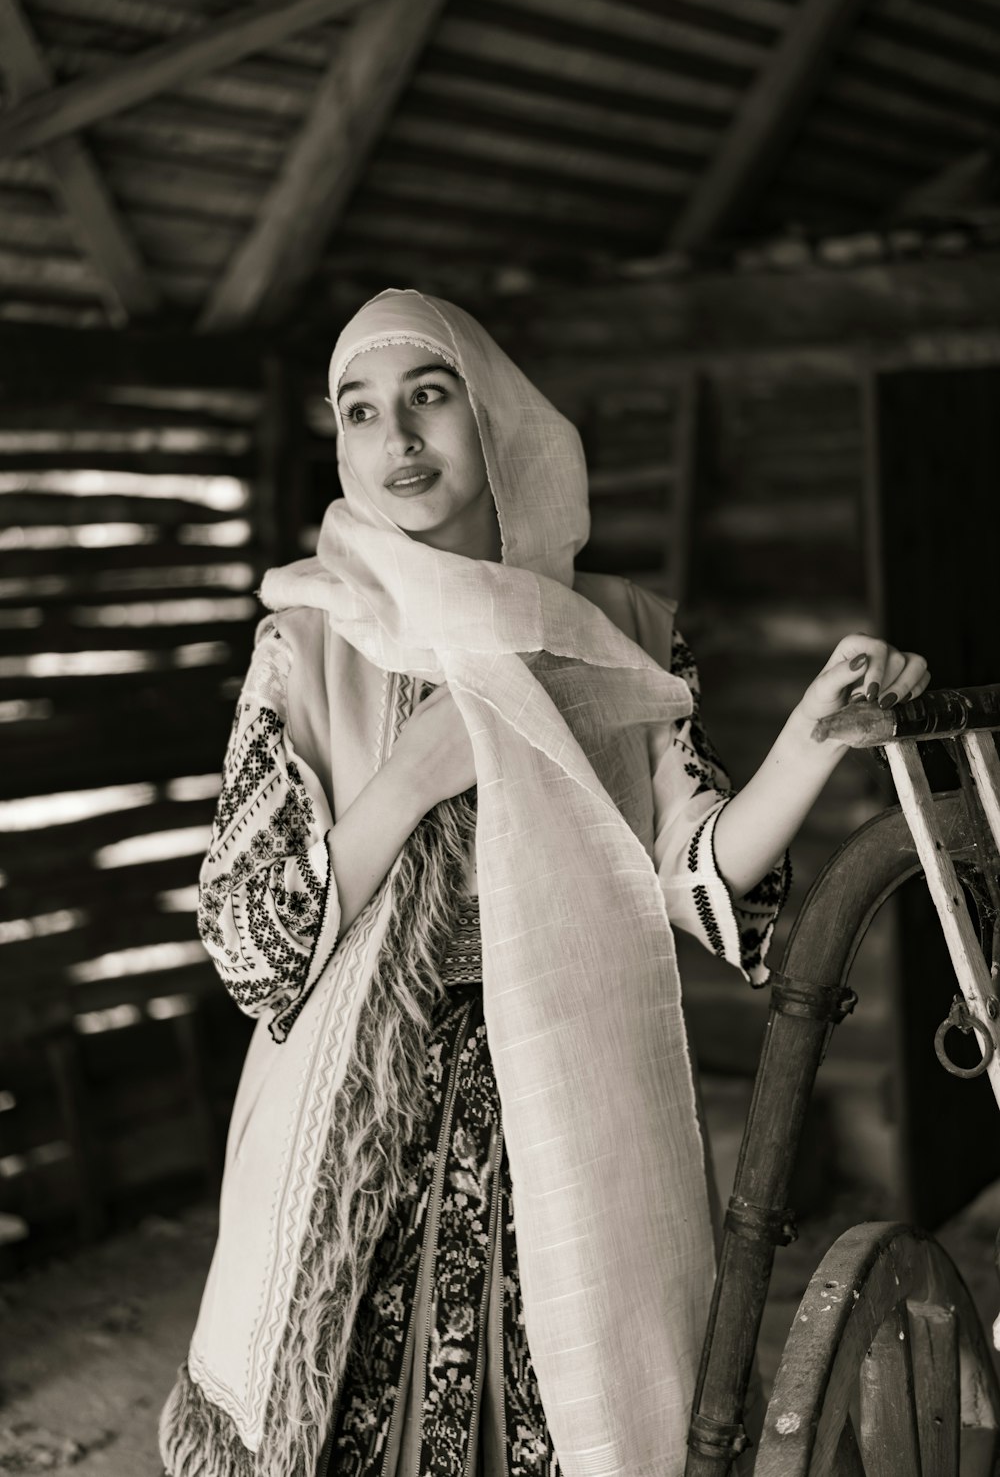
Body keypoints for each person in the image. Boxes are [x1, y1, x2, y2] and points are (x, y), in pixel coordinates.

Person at [159, 289, 929, 1477]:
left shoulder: (605, 631)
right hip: (358, 1141)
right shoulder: (311, 636)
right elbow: (251, 944)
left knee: (571, 1424)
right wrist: (408, 779)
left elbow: (693, 880)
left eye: (429, 396)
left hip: (564, 1108)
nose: (397, 438)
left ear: (497, 413)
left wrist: (811, 739)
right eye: (361, 411)